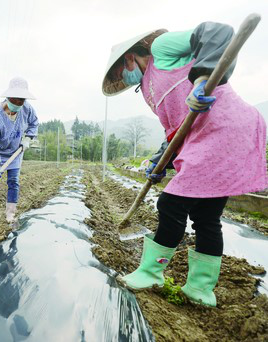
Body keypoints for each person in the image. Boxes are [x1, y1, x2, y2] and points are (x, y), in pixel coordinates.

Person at [102, 22, 267, 307]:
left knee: (170, 205)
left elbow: (218, 32)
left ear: (129, 58)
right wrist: (159, 162)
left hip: (224, 128)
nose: (125, 78)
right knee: (206, 216)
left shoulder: (161, 49)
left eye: (121, 72)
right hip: (204, 137)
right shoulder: (147, 89)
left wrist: (202, 79)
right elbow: (177, 128)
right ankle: (201, 289)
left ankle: (152, 272)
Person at [0, 77, 39, 230]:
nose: (19, 104)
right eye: (16, 100)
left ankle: (10, 214)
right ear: (9, 98)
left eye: (22, 101)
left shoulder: (27, 109)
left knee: (14, 183)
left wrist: (28, 138)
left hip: (15, 153)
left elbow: (34, 123)